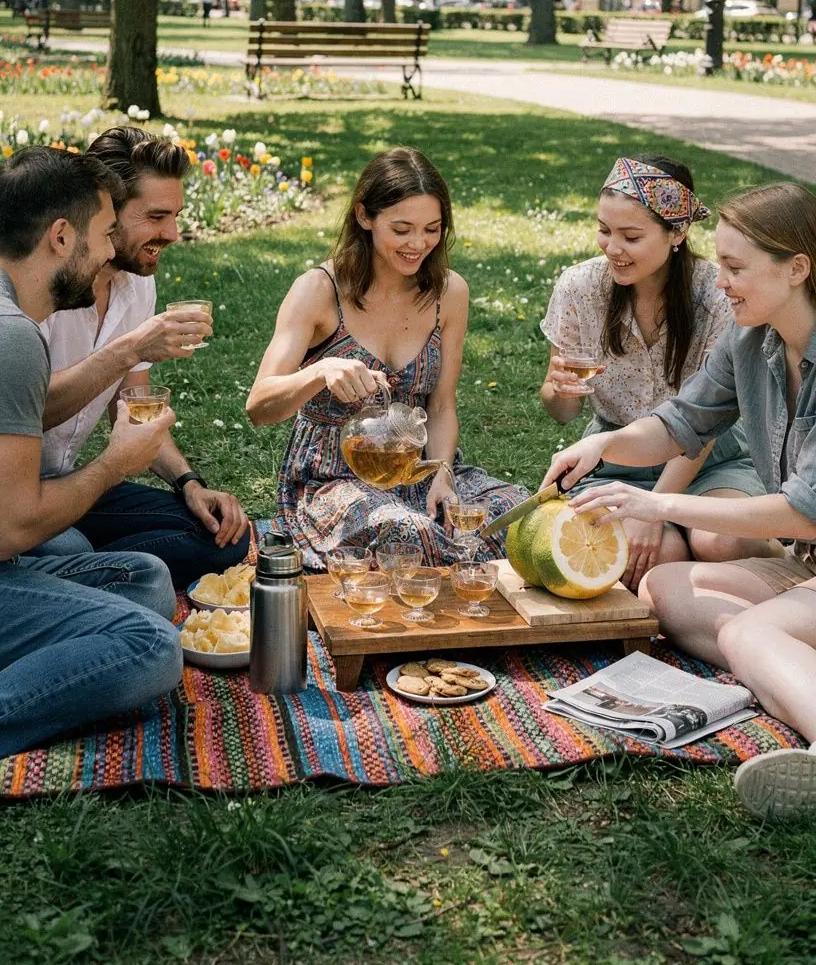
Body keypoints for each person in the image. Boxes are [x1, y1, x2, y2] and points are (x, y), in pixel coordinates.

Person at [541, 182, 816, 819]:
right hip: (806, 569)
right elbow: (678, 426)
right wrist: (602, 443)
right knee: (662, 588)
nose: (720, 282)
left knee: (749, 631)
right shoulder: (753, 343)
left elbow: (802, 511)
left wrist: (661, 507)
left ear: (797, 268)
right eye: (719, 264)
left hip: (805, 544)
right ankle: (787, 666)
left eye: (736, 267)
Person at [246, 147, 526, 566]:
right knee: (404, 532)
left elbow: (442, 405)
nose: (419, 244)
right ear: (364, 217)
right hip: (333, 477)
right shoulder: (319, 291)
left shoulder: (449, 294)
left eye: (432, 229)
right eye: (402, 229)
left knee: (514, 513)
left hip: (418, 469)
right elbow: (259, 406)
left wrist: (444, 477)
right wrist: (319, 372)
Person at [0, 147, 182, 758]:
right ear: (60, 237)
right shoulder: (13, 338)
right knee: (154, 647)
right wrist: (115, 465)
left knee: (146, 577)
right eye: (106, 235)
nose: (111, 254)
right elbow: (14, 525)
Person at [540, 155, 767, 590]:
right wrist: (558, 391)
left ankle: (786, 562)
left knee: (719, 544)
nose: (611, 248)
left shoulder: (717, 296)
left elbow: (703, 422)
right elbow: (562, 413)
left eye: (631, 236)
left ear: (676, 232)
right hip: (618, 458)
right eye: (604, 230)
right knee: (653, 556)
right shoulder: (579, 286)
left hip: (710, 459)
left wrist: (656, 505)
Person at [36, 127, 250, 586]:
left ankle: (61, 572)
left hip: (72, 487)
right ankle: (67, 570)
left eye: (175, 215)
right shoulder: (43, 285)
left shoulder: (137, 284)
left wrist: (189, 483)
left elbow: (135, 409)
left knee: (222, 534)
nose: (171, 233)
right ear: (106, 209)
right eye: (156, 216)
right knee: (72, 545)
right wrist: (131, 347)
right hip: (15, 496)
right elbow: (29, 410)